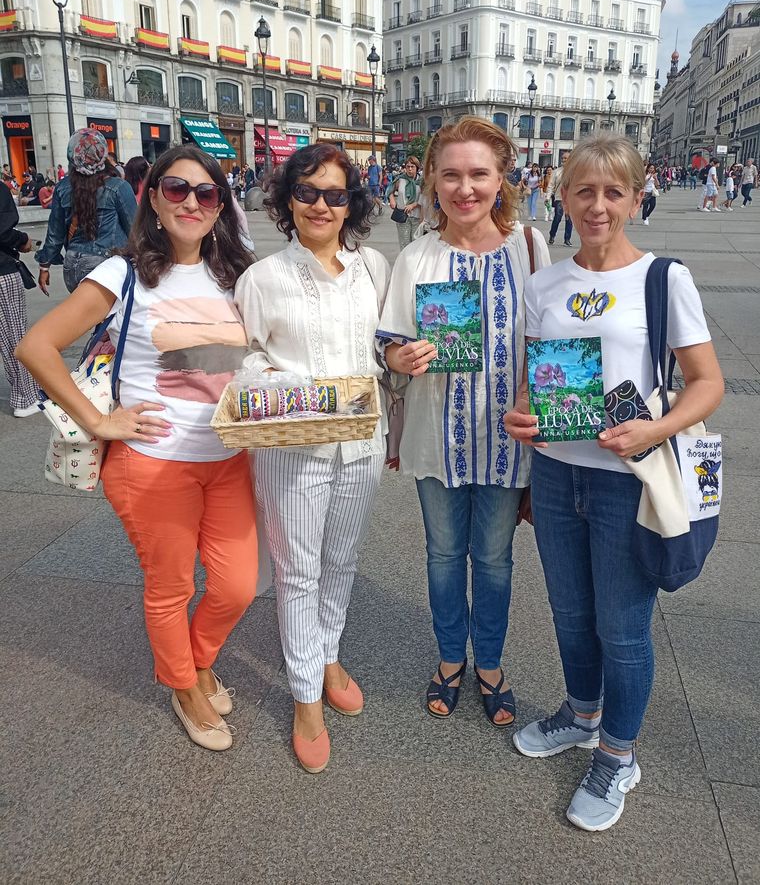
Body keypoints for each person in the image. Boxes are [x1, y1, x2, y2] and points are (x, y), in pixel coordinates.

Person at [504, 134, 723, 832]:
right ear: (563, 195)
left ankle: (618, 754)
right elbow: (534, 382)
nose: (598, 205)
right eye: (584, 190)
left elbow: (707, 382)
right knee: (570, 615)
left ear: (635, 196)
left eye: (613, 191)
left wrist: (654, 430)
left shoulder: (663, 279)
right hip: (559, 472)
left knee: (622, 628)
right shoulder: (545, 284)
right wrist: (523, 416)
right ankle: (582, 712)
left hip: (630, 482)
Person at [17, 145, 258, 751]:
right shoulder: (122, 273)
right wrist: (100, 421)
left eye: (207, 193)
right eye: (176, 189)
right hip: (153, 463)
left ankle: (198, 663)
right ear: (152, 197)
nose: (192, 203)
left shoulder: (238, 271)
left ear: (221, 204)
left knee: (236, 586)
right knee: (171, 588)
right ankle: (184, 688)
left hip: (228, 457)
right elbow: (37, 347)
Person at [378, 116, 550, 729]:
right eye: (450, 174)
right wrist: (400, 355)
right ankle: (452, 659)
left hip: (507, 439)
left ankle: (492, 665)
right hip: (437, 437)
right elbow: (390, 343)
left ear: (501, 178)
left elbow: (547, 336)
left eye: (479, 173)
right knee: (445, 554)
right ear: (432, 180)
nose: (465, 187)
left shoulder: (529, 247)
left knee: (496, 558)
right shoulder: (416, 258)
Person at [235, 143, 388, 775]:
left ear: (352, 202)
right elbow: (240, 364)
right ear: (286, 200)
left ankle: (326, 655)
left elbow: (384, 348)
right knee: (297, 569)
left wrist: (397, 363)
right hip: (293, 450)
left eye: (335, 194)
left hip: (362, 444)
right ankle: (305, 698)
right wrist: (290, 392)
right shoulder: (262, 279)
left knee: (342, 558)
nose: (322, 205)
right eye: (308, 192)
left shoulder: (374, 266)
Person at [35, 129, 138, 294]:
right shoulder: (118, 187)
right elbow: (135, 230)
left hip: (72, 265)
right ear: (102, 154)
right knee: (111, 319)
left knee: (85, 317)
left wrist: (44, 265)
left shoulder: (62, 187)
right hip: (107, 265)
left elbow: (55, 233)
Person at [0, 181, 40, 416]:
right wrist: (22, 240)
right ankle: (25, 397)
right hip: (2, 271)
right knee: (14, 334)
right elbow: (3, 231)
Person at [388, 155, 422, 250]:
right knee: (404, 245)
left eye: (412, 167)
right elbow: (389, 190)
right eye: (408, 166)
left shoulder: (422, 181)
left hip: (417, 216)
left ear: (417, 168)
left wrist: (414, 205)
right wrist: (391, 198)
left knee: (416, 244)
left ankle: (415, 264)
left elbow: (425, 197)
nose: (410, 169)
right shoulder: (400, 179)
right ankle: (404, 263)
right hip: (403, 216)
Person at [547, 163, 572, 246]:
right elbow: (551, 185)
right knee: (557, 218)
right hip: (559, 198)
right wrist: (548, 197)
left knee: (569, 219)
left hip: (571, 199)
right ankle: (552, 235)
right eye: (563, 158)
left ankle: (567, 239)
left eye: (566, 158)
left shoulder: (574, 171)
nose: (564, 160)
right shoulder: (557, 172)